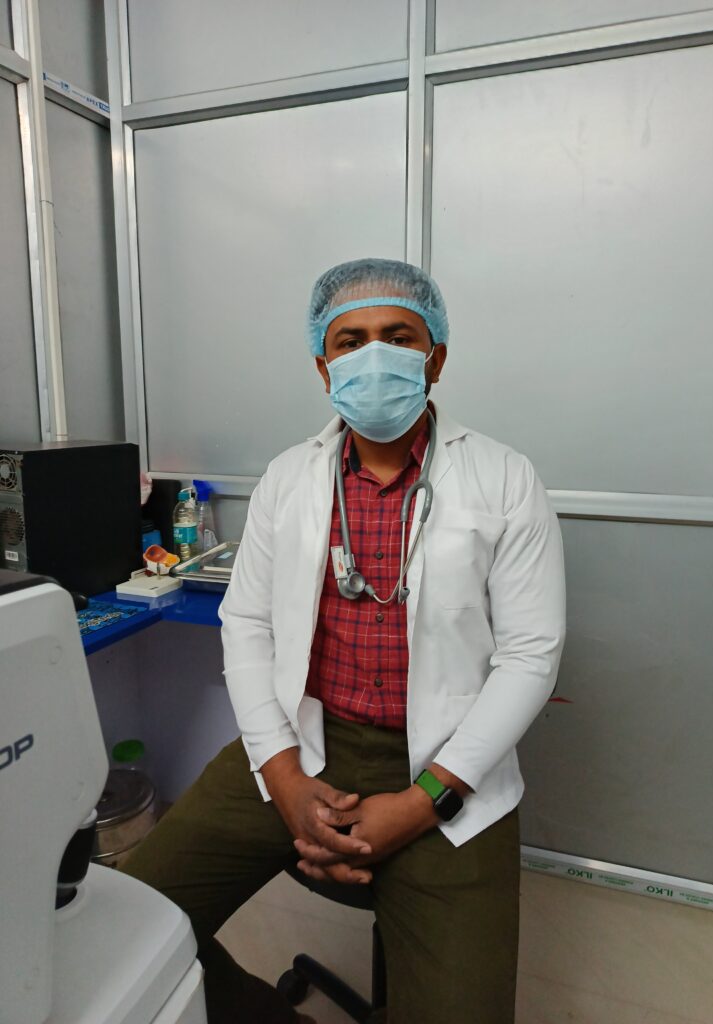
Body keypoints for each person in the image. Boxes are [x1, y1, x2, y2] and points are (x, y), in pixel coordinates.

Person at [121, 258, 566, 1024]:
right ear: (324, 366)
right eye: (351, 341)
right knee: (128, 925)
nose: (375, 357)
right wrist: (284, 778)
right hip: (303, 741)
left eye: (399, 336)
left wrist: (424, 802)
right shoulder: (288, 478)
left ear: (436, 357)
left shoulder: (505, 478)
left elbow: (531, 655)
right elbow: (247, 624)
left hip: (449, 761)